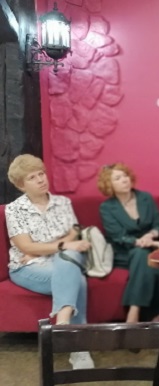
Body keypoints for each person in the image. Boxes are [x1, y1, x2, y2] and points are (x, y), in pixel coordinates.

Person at [5, 154, 94, 369]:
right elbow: (26, 247)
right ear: (21, 185)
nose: (40, 180)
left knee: (69, 258)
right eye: (32, 177)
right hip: (26, 267)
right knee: (76, 275)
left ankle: (62, 324)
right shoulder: (14, 210)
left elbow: (74, 231)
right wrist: (60, 245)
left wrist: (48, 249)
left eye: (41, 174)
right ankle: (79, 349)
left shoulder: (63, 203)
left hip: (59, 261)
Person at [97, 163, 159, 324]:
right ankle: (154, 315)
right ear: (109, 185)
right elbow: (117, 236)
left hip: (149, 246)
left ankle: (134, 312)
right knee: (145, 258)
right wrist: (140, 242)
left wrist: (150, 235)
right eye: (118, 178)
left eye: (125, 176)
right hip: (123, 252)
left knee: (143, 256)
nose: (124, 180)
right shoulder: (107, 207)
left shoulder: (146, 198)